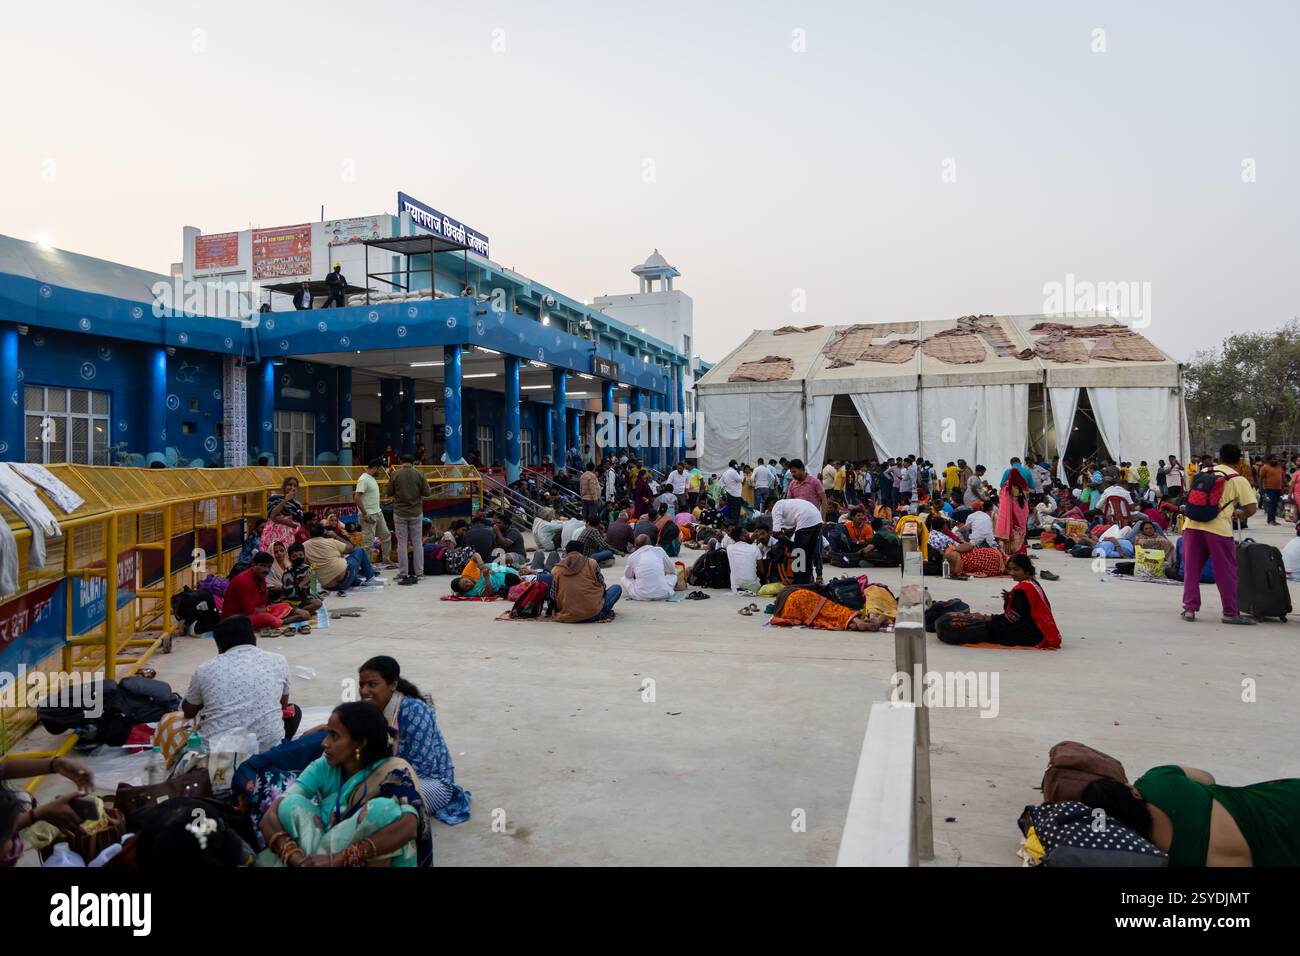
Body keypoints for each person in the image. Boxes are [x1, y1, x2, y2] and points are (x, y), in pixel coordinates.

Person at [258, 702, 429, 867]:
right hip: (322, 854)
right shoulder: (325, 765)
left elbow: (409, 826)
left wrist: (340, 859)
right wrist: (294, 857)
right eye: (327, 734)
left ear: (359, 744)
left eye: (334, 736)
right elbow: (270, 817)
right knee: (290, 804)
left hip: (359, 858)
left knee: (383, 810)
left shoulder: (394, 771)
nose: (324, 743)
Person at [1082, 768, 1300, 867]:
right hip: (1281, 805)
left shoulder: (1148, 855)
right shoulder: (1158, 781)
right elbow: (1208, 778)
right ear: (1132, 792)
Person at [356, 657, 470, 824]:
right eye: (361, 685)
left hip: (430, 781)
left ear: (393, 685)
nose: (364, 691)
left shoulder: (415, 710)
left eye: (372, 685)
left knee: (390, 808)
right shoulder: (369, 710)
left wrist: (380, 780)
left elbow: (423, 766)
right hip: (388, 776)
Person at [183, 616, 301, 752]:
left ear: (219, 646)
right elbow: (282, 705)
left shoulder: (205, 669)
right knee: (294, 712)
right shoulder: (278, 661)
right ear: (254, 638)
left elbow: (188, 711)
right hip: (267, 752)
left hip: (217, 756)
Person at [1180, 443, 1258, 625]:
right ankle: (1230, 613)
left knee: (1192, 570)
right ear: (1239, 460)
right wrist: (1240, 514)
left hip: (1191, 525)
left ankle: (1189, 610)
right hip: (1218, 529)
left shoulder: (1204, 472)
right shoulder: (1237, 479)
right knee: (1226, 571)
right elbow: (1252, 508)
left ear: (1219, 457)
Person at [935, 554, 1061, 647]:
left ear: (1027, 571)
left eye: (1016, 570)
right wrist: (1009, 601)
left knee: (949, 629)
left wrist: (988, 619)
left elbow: (1011, 619)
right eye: (1010, 569)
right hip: (1035, 631)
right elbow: (1023, 611)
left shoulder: (1023, 589)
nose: (1012, 573)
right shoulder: (1032, 584)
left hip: (1027, 635)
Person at [223, 552, 311, 631]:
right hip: (236, 619)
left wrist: (270, 609)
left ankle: (282, 617)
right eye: (263, 566)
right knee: (266, 617)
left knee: (285, 605)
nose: (266, 570)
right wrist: (268, 611)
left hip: (257, 611)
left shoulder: (261, 578)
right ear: (253, 565)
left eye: (269, 566)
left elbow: (263, 604)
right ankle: (282, 620)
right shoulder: (243, 581)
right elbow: (250, 611)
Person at [388, 454, 433, 584]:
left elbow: (389, 492)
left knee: (402, 543)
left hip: (400, 513)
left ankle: (403, 573)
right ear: (413, 462)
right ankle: (419, 573)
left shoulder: (395, 475)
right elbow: (427, 493)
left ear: (401, 461)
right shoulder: (420, 474)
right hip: (416, 512)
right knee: (417, 543)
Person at [550, 541, 622, 622]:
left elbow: (553, 596)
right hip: (594, 614)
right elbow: (602, 585)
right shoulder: (592, 563)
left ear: (566, 552)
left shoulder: (556, 569)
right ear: (583, 552)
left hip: (566, 616)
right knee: (617, 588)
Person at [304, 521, 377, 592]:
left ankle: (357, 581)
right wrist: (336, 536)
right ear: (324, 532)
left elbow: (310, 568)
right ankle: (370, 577)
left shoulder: (304, 546)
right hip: (345, 580)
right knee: (360, 550)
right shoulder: (331, 541)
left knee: (341, 564)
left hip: (328, 586)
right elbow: (351, 548)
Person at [771, 495, 824, 584]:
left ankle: (798, 583)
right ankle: (807, 582)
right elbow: (793, 528)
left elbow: (776, 532)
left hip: (805, 519)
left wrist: (790, 544)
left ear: (770, 505)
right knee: (807, 554)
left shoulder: (776, 506)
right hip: (817, 519)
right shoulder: (789, 505)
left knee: (798, 553)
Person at [354, 458, 395, 568]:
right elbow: (357, 497)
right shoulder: (363, 479)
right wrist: (364, 513)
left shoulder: (371, 478)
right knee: (368, 542)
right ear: (375, 468)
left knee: (386, 535)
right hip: (368, 515)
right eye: (380, 470)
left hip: (378, 513)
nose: (381, 472)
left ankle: (386, 559)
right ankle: (367, 566)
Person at [620, 534, 677, 601]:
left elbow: (628, 576)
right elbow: (672, 569)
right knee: (673, 575)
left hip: (641, 596)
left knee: (624, 578)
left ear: (636, 545)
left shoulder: (632, 556)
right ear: (650, 543)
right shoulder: (659, 550)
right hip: (663, 593)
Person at [262, 476, 306, 550]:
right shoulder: (274, 499)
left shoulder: (297, 504)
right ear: (283, 486)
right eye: (289, 485)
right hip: (275, 533)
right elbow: (273, 515)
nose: (292, 487)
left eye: (295, 486)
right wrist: (286, 499)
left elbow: (299, 519)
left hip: (290, 534)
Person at [994, 469, 1030, 555]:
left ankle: (1013, 554)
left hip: (1013, 505)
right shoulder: (1022, 481)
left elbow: (1002, 495)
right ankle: (1021, 554)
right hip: (1022, 504)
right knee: (1021, 532)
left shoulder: (1008, 483)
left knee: (1014, 533)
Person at [449, 554, 520, 596]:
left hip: (497, 569)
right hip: (504, 580)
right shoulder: (472, 592)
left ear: (463, 577)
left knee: (519, 571)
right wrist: (486, 578)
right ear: (464, 591)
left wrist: (482, 566)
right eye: (466, 587)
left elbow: (475, 555)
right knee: (519, 579)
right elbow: (489, 593)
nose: (469, 584)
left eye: (466, 581)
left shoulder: (467, 572)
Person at [1257, 455, 1285, 525]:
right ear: (1269, 460)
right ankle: (1271, 520)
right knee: (1272, 504)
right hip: (1269, 488)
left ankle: (1272, 519)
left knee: (1275, 504)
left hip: (1278, 488)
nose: (1275, 460)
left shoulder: (1279, 466)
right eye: (1273, 459)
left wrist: (1279, 459)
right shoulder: (1265, 467)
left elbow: (1285, 460)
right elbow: (1260, 479)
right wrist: (1261, 489)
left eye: (1276, 459)